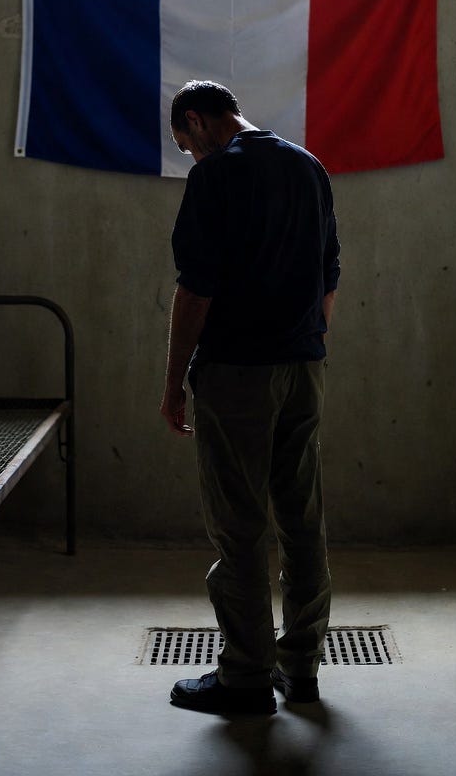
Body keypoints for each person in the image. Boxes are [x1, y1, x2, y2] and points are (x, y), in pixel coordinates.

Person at [160, 79, 340, 715]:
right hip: (303, 365)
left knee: (238, 525)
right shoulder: (307, 166)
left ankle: (244, 678)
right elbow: (327, 279)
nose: (190, 156)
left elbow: (196, 292)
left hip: (238, 372)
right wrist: (302, 345)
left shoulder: (216, 177)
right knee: (302, 519)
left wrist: (175, 380)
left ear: (197, 121)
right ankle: (303, 670)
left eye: (185, 144)